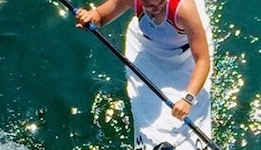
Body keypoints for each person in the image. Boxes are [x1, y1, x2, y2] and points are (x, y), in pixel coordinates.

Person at [75, 0, 211, 121]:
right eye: (149, 4)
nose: (156, 8)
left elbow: (202, 60)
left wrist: (188, 98)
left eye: (161, 2)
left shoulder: (184, 9)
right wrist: (89, 18)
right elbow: (99, 16)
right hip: (150, 48)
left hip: (185, 55)